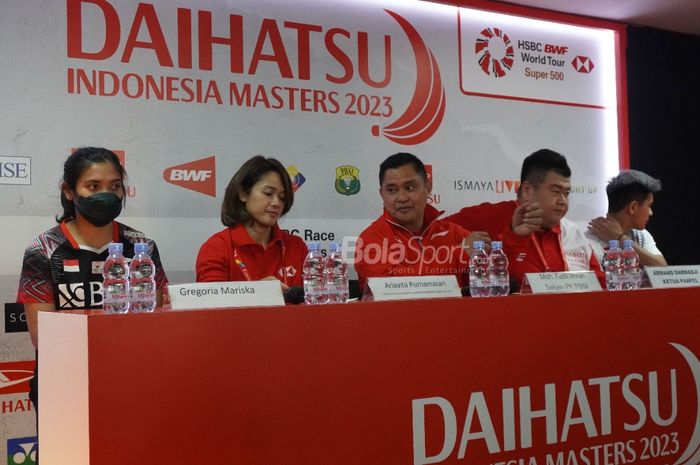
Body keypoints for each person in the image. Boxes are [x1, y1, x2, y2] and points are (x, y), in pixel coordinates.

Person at [16, 147, 169, 416]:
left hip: (132, 380)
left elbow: (154, 323)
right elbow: (44, 338)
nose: (105, 194)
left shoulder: (142, 247)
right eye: (93, 186)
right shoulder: (43, 250)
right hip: (64, 385)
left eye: (114, 186)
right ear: (69, 191)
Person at [445, 149, 604, 286]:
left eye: (566, 193)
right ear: (528, 190)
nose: (563, 201)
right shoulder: (487, 217)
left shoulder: (572, 233)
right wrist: (462, 251)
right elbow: (431, 240)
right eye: (556, 192)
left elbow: (601, 286)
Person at [354, 152, 487, 292]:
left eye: (409, 188)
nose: (402, 197)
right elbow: (395, 289)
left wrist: (511, 236)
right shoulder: (371, 240)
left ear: (427, 188)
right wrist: (458, 256)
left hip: (452, 313)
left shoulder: (455, 233)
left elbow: (493, 280)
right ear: (382, 194)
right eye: (392, 190)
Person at [196, 155, 307, 290]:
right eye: (268, 193)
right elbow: (211, 305)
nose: (276, 203)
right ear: (243, 194)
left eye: (282, 197)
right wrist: (257, 292)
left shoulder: (297, 247)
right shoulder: (217, 248)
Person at [587, 169, 666, 267]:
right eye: (649, 205)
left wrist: (621, 238)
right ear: (633, 207)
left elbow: (662, 268)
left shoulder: (641, 235)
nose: (651, 212)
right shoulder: (589, 236)